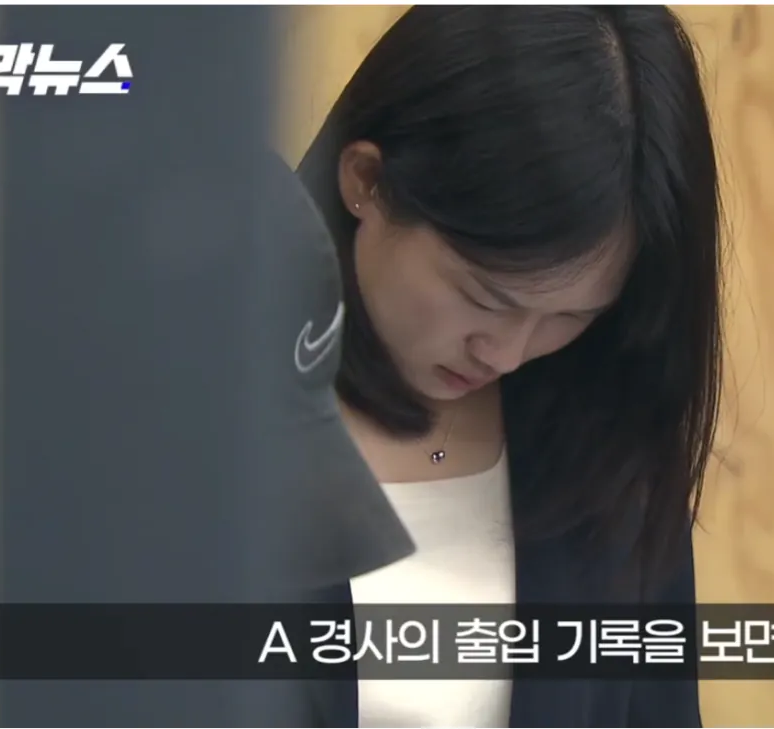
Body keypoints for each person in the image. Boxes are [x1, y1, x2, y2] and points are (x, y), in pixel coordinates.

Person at [295, 6, 723, 727]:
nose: (508, 352)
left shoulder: (604, 441)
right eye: (483, 297)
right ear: (367, 180)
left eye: (571, 316)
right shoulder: (194, 411)